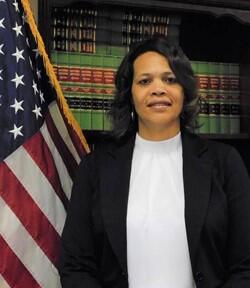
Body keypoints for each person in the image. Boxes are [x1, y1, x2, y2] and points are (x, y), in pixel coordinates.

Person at [59, 36, 250, 288]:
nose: (158, 89)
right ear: (130, 94)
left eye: (170, 79)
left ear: (185, 91)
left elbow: (245, 266)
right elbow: (76, 266)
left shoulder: (225, 163)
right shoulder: (96, 168)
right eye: (145, 81)